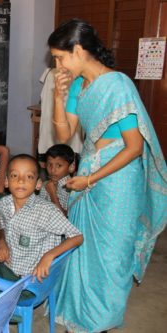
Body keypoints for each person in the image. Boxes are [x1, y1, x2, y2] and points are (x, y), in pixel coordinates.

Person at [48, 18, 167, 332]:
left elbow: (133, 147)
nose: (56, 64)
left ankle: (101, 319)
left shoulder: (117, 85)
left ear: (78, 50)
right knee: (82, 245)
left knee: (112, 252)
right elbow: (64, 135)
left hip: (118, 179)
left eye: (59, 58)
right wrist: (57, 98)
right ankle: (78, 310)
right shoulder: (77, 86)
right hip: (90, 167)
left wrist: (89, 179)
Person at [0, 154, 83, 289]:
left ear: (38, 184)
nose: (21, 181)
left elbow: (78, 237)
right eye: (14, 176)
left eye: (29, 177)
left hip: (29, 280)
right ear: (6, 181)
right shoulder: (4, 203)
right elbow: (4, 227)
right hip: (8, 266)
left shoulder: (46, 211)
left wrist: (49, 255)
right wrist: (2, 241)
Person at [38, 144, 76, 215]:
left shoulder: (72, 188)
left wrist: (52, 194)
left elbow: (65, 218)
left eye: (59, 165)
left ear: (71, 167)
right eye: (50, 165)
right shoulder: (45, 185)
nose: (52, 170)